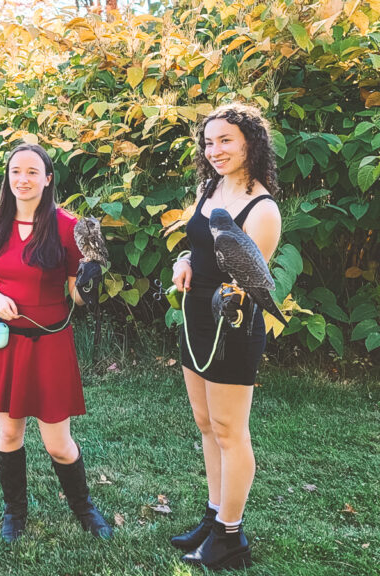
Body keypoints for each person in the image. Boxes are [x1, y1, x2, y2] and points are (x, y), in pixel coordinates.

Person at [0, 143, 112, 543]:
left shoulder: (66, 227)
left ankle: (84, 508)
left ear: (48, 179)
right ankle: (14, 513)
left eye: (33, 172)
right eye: (16, 171)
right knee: (8, 435)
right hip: (6, 345)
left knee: (58, 443)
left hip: (49, 343)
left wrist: (88, 283)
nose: (23, 179)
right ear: (8, 177)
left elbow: (77, 297)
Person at [170, 103, 282, 570]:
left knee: (231, 431)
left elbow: (247, 279)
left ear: (250, 144)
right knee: (205, 423)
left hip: (233, 324)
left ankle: (231, 538)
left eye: (226, 141)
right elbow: (199, 248)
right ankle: (215, 516)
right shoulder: (208, 187)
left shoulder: (263, 207)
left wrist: (213, 286)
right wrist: (183, 262)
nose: (215, 150)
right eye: (209, 142)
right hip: (196, 316)